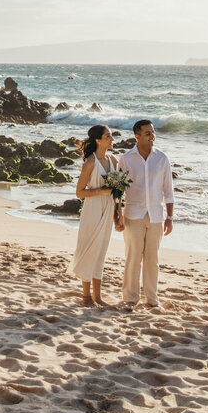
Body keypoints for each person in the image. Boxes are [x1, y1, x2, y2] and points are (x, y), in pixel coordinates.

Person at [116, 119, 175, 311]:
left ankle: (151, 298)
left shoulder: (162, 158)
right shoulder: (126, 159)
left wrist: (170, 217)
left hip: (156, 215)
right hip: (133, 214)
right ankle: (130, 297)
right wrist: (118, 214)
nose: (152, 136)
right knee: (133, 256)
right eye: (148, 133)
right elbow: (119, 190)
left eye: (153, 132)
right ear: (137, 136)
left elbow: (168, 189)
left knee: (152, 258)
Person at [68, 125, 120, 306]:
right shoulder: (90, 163)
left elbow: (117, 191)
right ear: (98, 140)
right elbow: (79, 192)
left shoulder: (113, 160)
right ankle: (86, 297)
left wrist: (118, 214)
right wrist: (101, 190)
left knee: (101, 251)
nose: (112, 139)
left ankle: (98, 297)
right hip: (93, 209)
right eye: (108, 136)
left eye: (111, 136)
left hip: (108, 209)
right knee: (90, 248)